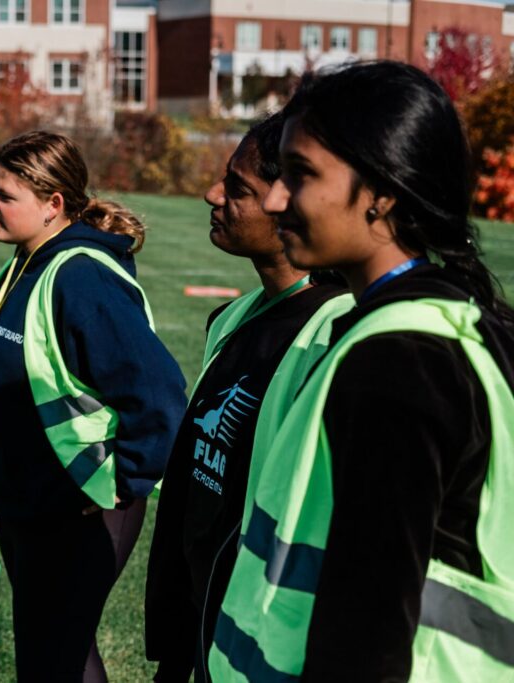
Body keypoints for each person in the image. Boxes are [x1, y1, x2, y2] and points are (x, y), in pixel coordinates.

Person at [209, 61, 514, 682]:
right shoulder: (457, 320)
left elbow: (369, 621)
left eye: (300, 175)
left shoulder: (400, 360)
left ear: (384, 193)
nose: (274, 199)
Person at [0, 130, 188, 681]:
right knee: (57, 654)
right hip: (31, 504)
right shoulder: (29, 260)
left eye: (5, 195)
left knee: (54, 660)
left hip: (83, 511)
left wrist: (119, 482)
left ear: (53, 204)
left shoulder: (81, 275)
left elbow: (159, 393)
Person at [143, 114, 351, 682]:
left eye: (237, 188)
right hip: (205, 617)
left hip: (262, 640)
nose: (212, 195)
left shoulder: (332, 335)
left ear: (291, 201)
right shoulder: (233, 316)